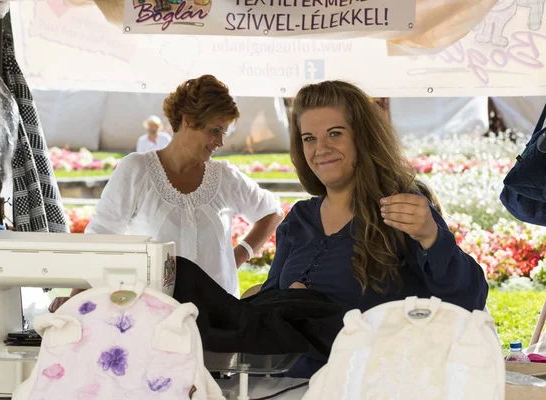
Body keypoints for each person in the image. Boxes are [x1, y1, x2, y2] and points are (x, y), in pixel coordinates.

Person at [258, 80, 488, 377]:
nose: (320, 149)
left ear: (362, 138)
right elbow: (265, 311)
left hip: (377, 386)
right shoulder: (298, 220)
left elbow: (469, 300)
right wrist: (289, 302)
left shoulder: (403, 209)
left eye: (335, 134)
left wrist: (432, 237)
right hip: (292, 388)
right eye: (309, 138)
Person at [49, 75, 283, 311]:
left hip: (219, 318)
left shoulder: (225, 177)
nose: (220, 142)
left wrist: (239, 256)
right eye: (215, 130)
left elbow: (271, 212)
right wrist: (75, 299)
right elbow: (102, 237)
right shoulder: (137, 170)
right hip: (152, 317)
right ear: (188, 121)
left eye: (224, 132)